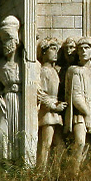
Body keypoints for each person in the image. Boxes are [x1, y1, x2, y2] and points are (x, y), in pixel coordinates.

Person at [64, 37, 91, 173]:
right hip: (79, 114)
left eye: (87, 48)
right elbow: (76, 96)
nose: (84, 51)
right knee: (80, 143)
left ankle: (83, 173)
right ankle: (74, 173)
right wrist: (87, 114)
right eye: (81, 49)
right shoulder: (75, 70)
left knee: (88, 145)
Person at [36, 37, 67, 169]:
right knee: (46, 144)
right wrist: (53, 106)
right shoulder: (44, 71)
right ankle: (41, 171)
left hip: (55, 111)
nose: (55, 53)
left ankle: (54, 171)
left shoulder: (54, 71)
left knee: (59, 145)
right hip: (48, 112)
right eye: (52, 49)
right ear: (44, 52)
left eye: (57, 50)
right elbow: (40, 93)